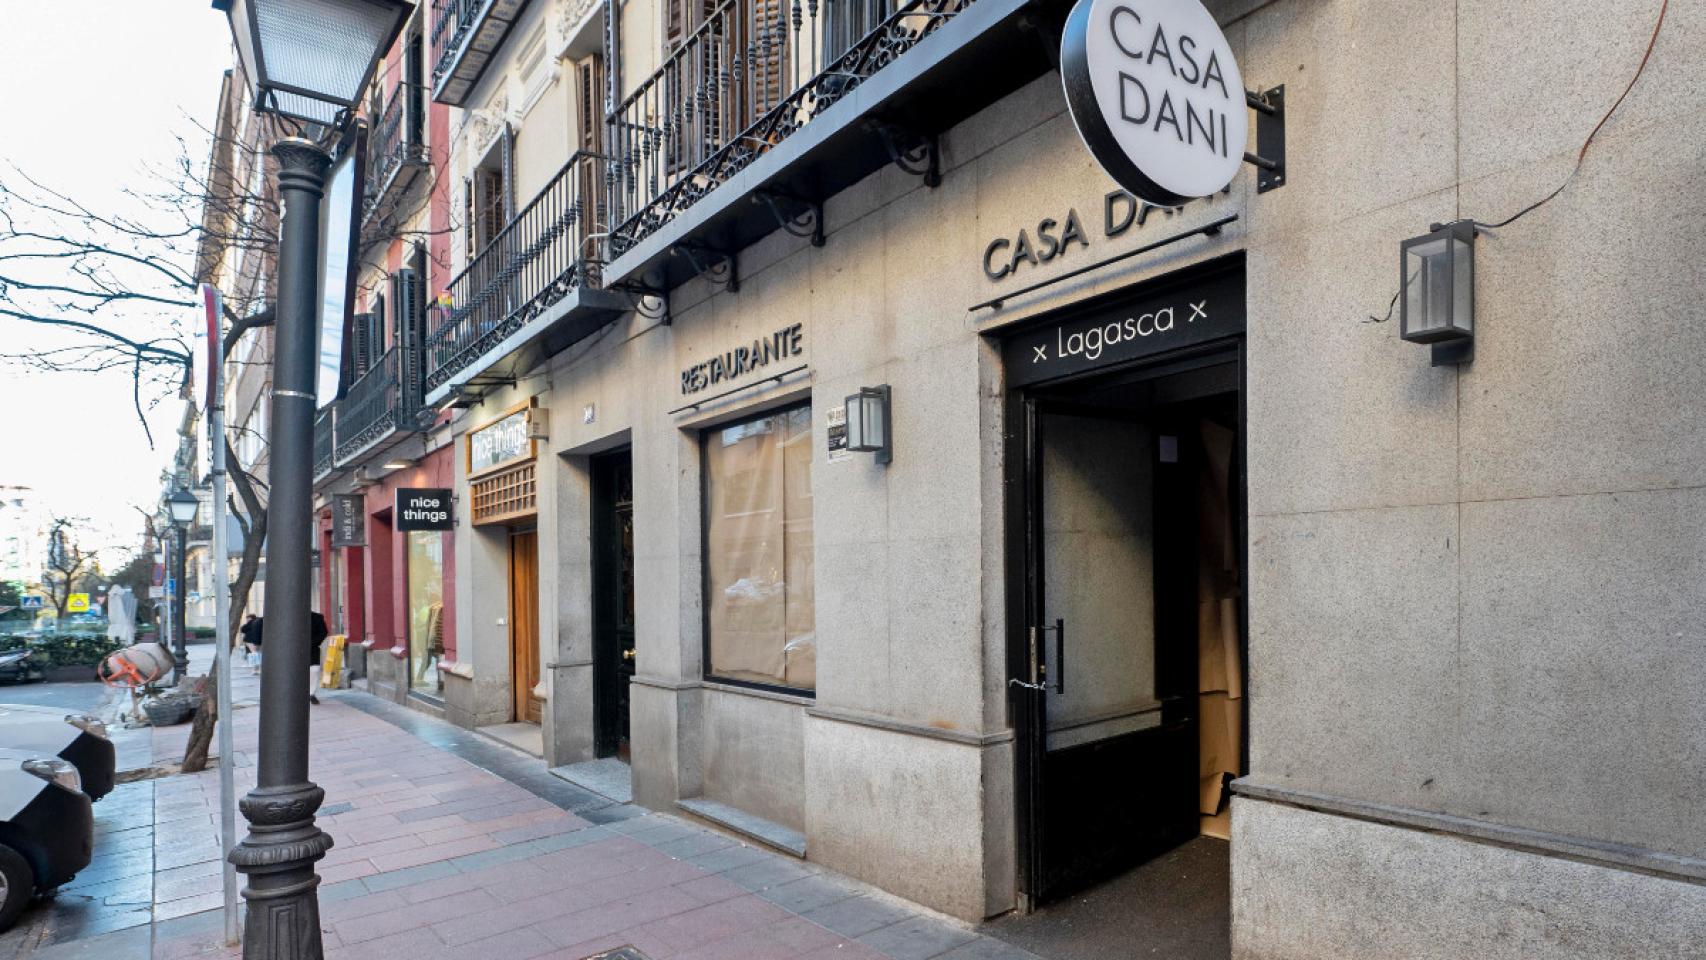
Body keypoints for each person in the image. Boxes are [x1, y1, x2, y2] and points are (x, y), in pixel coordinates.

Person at [309, 610, 328, 705]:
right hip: (295, 650)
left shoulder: (317, 617)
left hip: (312, 649)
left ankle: (311, 693)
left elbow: (324, 632)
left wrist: (313, 643)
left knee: (315, 669)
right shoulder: (290, 616)